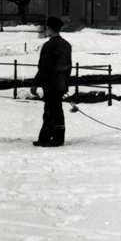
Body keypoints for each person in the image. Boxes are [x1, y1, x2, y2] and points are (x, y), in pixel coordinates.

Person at [30, 16, 72, 147]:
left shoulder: (48, 46)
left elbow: (44, 67)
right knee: (56, 109)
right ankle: (53, 137)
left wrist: (35, 84)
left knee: (50, 110)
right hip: (61, 82)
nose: (45, 30)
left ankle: (50, 138)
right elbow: (68, 66)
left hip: (51, 83)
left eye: (47, 28)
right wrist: (65, 81)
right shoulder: (66, 45)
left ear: (50, 29)